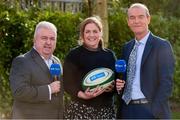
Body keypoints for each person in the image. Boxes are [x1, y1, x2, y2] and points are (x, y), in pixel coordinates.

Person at [116, 3, 175, 119]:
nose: (136, 21)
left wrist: (154, 110)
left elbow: (166, 83)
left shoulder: (162, 46)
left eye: (141, 16)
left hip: (149, 111)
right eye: (132, 18)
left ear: (148, 19)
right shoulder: (126, 47)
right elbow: (124, 77)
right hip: (126, 110)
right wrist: (119, 85)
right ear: (128, 22)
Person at [63, 16, 120, 119]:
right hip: (80, 109)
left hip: (106, 111)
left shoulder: (110, 55)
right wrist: (83, 95)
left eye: (95, 31)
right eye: (87, 31)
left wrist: (112, 88)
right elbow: (67, 83)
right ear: (82, 34)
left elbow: (117, 82)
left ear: (100, 33)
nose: (91, 35)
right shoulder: (73, 55)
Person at [9, 21, 63, 119]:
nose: (48, 42)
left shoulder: (57, 61)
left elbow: (58, 94)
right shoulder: (22, 61)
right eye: (44, 38)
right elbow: (19, 91)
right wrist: (49, 89)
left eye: (52, 39)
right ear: (34, 40)